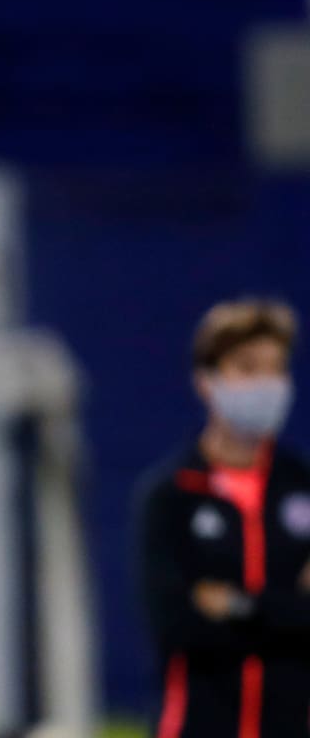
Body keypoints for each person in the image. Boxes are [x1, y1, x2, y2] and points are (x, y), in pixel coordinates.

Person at [135, 298, 310, 737]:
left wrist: (233, 603)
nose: (266, 384)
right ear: (207, 381)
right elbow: (177, 627)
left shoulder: (303, 487)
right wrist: (287, 608)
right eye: (248, 368)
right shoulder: (171, 495)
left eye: (277, 368)